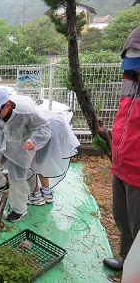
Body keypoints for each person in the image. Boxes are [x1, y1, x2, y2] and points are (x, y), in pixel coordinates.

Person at [0, 89, 79, 222]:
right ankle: (0, 185)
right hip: (5, 139)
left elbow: (44, 128)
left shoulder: (26, 112)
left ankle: (19, 210)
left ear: (8, 105)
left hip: (22, 147)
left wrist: (34, 141)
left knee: (17, 177)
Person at [103, 26, 140, 272]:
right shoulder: (130, 83)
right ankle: (127, 260)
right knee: (122, 218)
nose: (135, 68)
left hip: (138, 171)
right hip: (122, 164)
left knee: (139, 225)